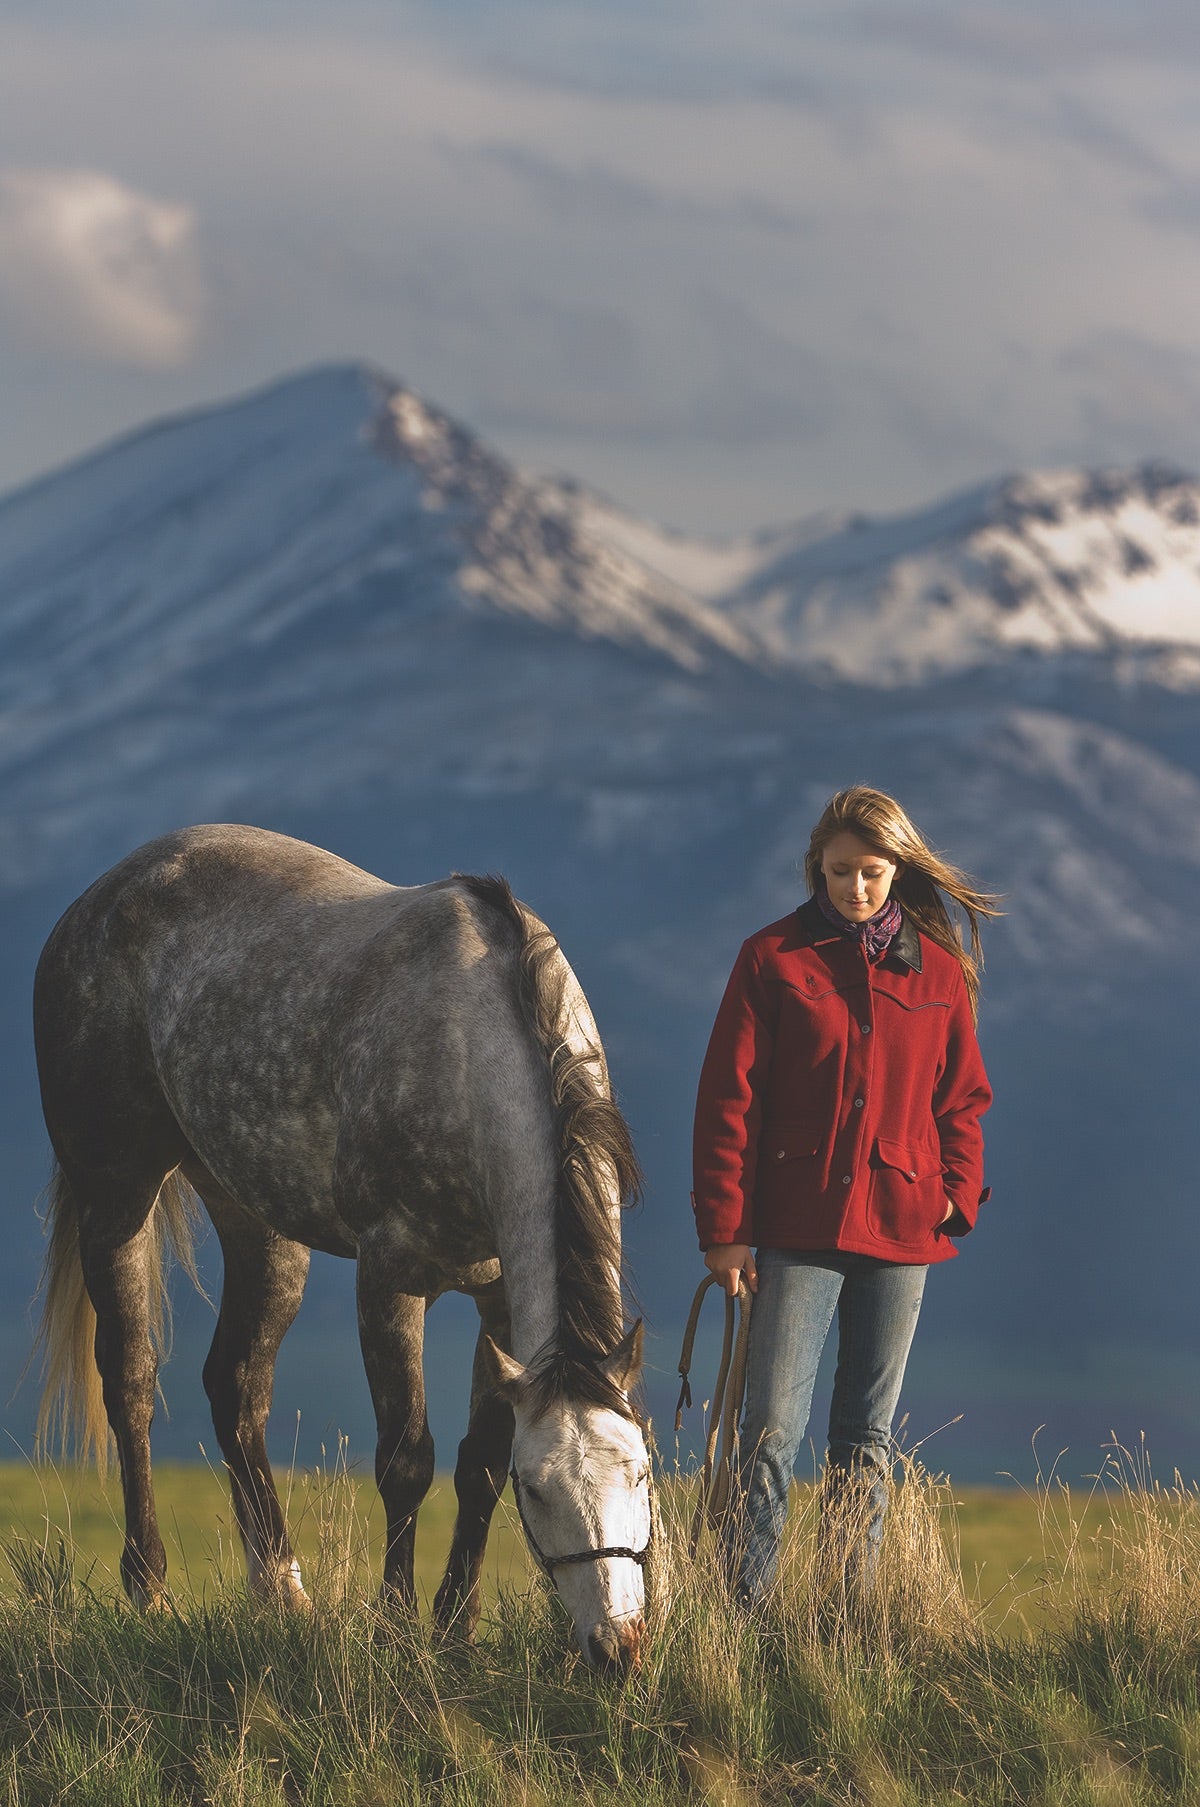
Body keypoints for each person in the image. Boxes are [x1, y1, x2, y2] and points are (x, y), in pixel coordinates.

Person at [691, 786, 997, 1608]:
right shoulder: (772, 956)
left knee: (865, 1438)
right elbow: (727, 1098)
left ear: (897, 867)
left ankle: (844, 1621)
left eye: (870, 872)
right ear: (813, 868)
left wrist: (954, 1196)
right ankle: (741, 1621)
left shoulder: (938, 971)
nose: (854, 888)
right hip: (796, 1225)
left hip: (904, 1229)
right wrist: (725, 1231)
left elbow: (963, 1098)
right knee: (766, 1434)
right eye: (838, 872)